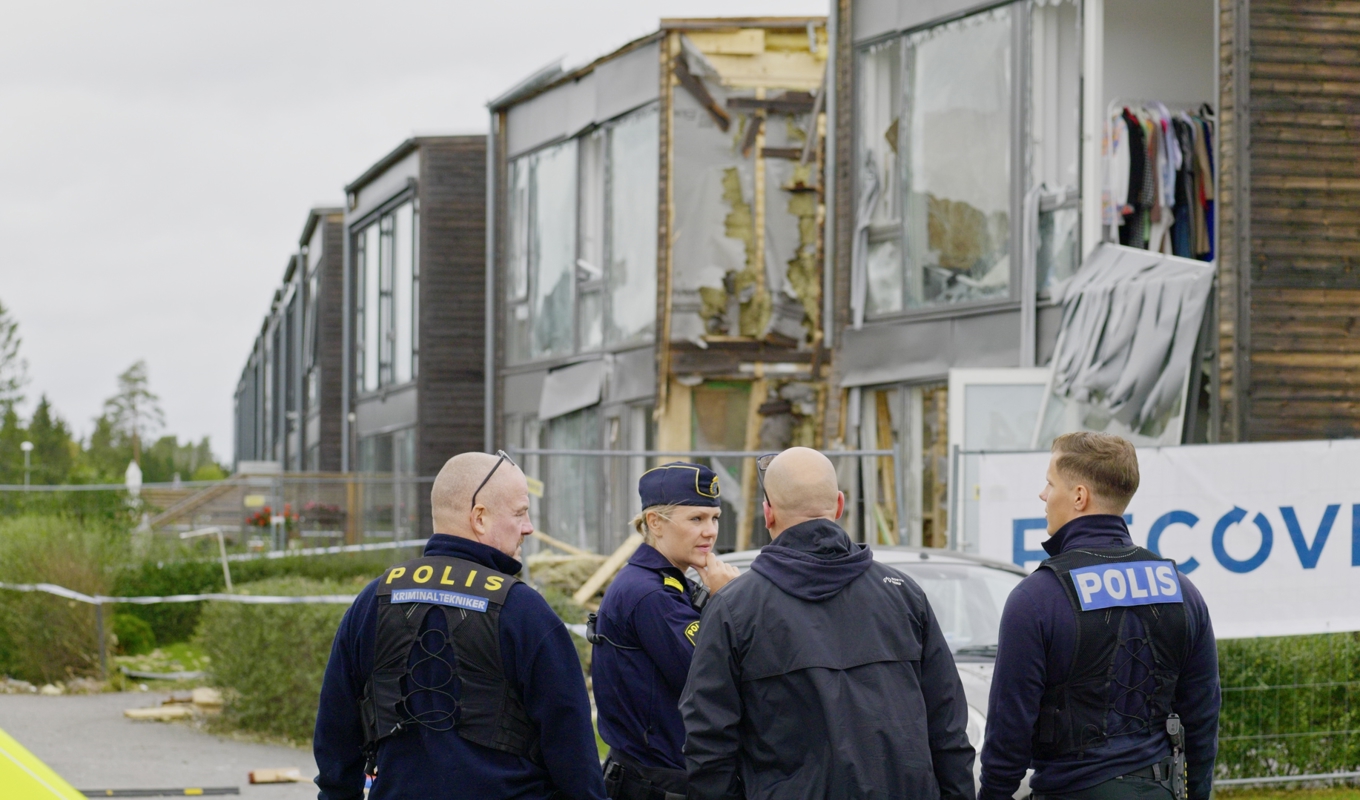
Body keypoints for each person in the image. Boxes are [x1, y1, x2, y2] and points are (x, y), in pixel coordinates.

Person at [680, 447, 976, 800]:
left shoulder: (734, 608)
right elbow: (949, 729)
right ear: (838, 505)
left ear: (768, 513)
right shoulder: (904, 596)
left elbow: (708, 743)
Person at [313, 451, 607, 800]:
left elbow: (335, 732)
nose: (528, 527)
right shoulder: (522, 610)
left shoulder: (374, 601)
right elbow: (572, 749)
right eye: (520, 513)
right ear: (479, 518)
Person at [980, 433, 1220, 800]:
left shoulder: (1036, 599)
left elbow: (1008, 731)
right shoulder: (1182, 592)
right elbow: (1203, 716)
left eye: (1049, 483)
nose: (1043, 495)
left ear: (1079, 496)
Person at [592, 462, 742, 800]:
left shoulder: (665, 582)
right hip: (659, 782)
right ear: (655, 523)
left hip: (657, 775)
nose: (710, 531)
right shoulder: (652, 594)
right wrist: (728, 602)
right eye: (696, 519)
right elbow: (713, 681)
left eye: (714, 518)